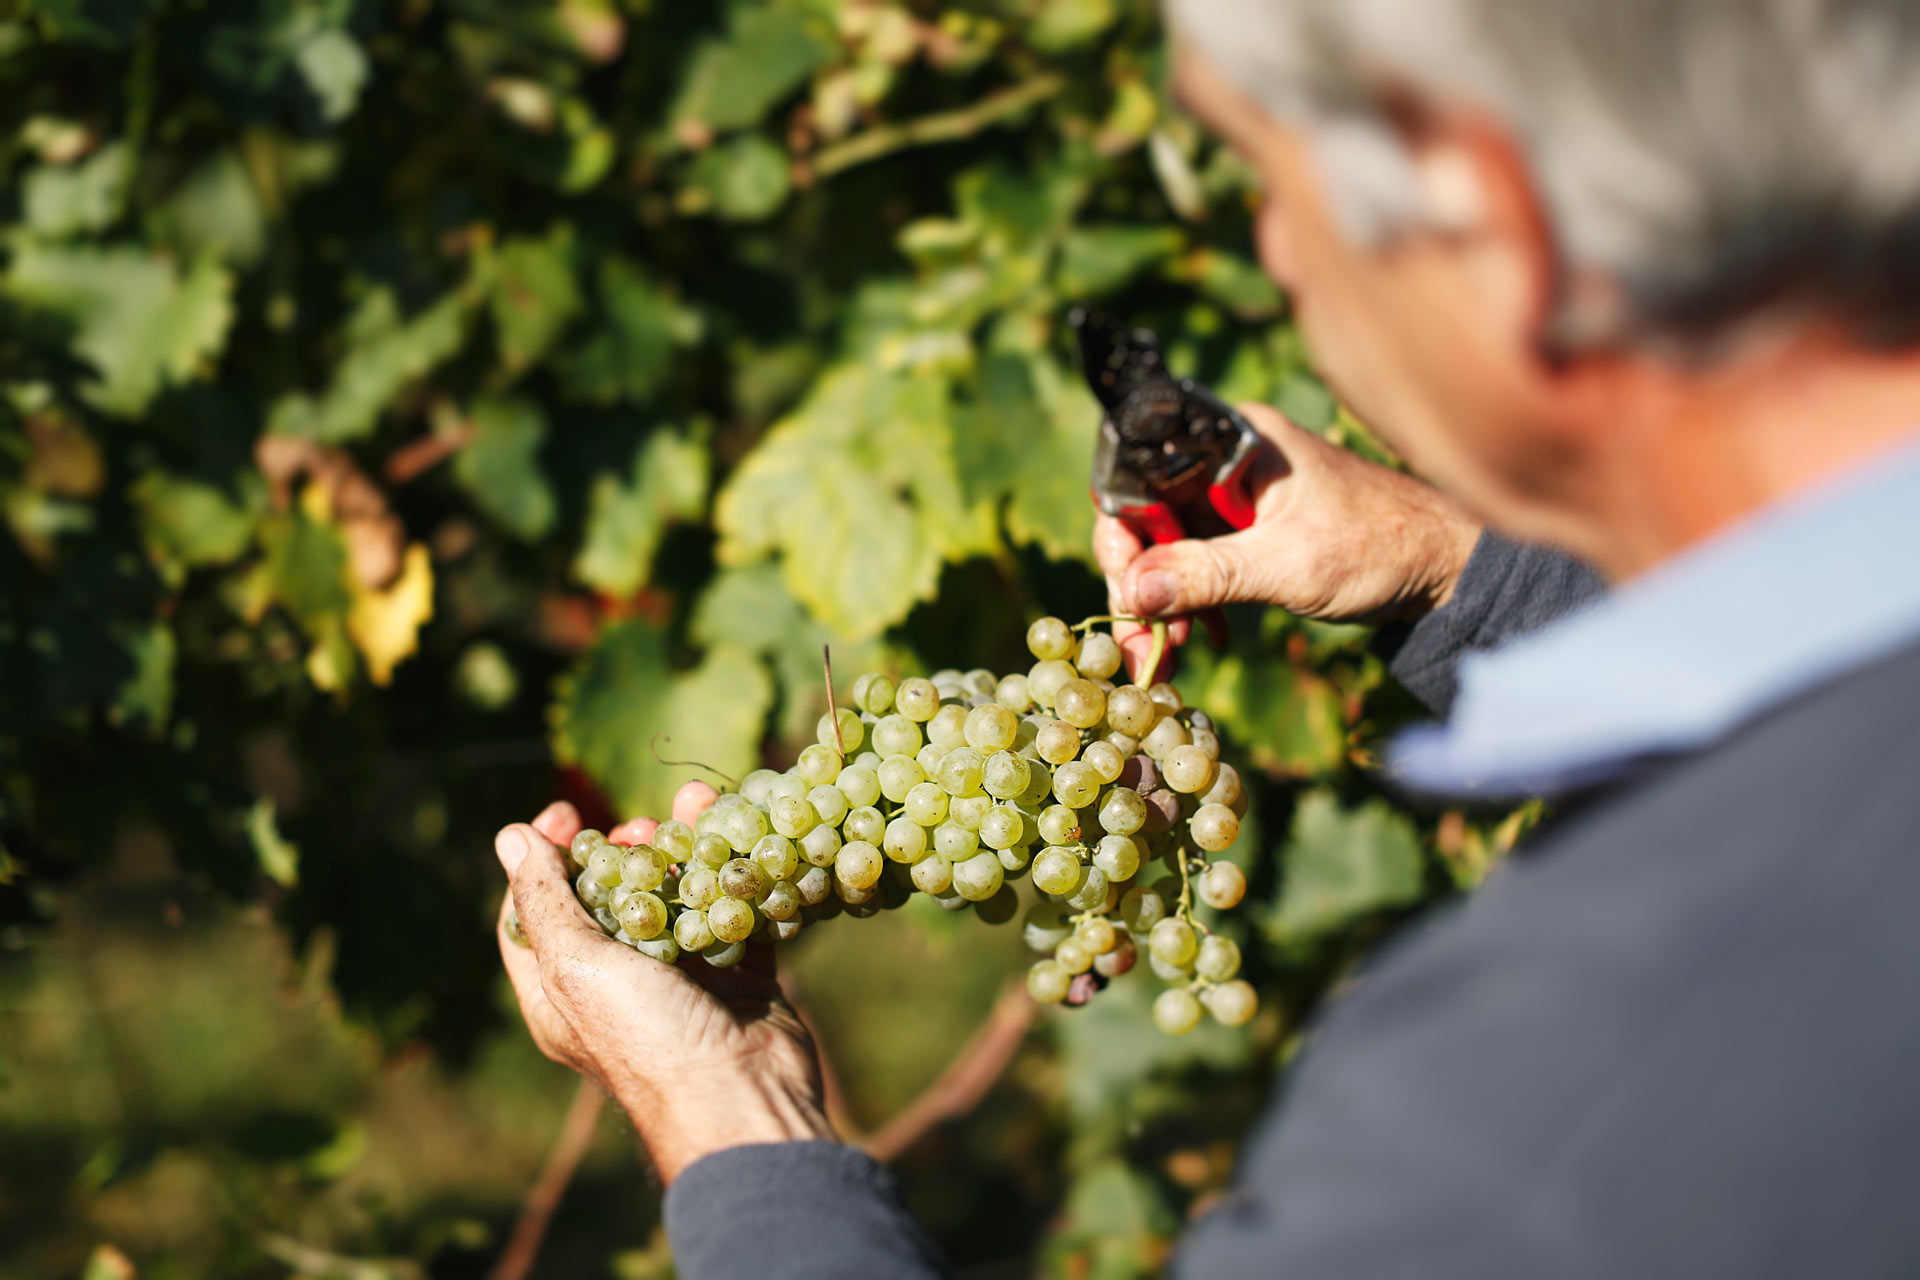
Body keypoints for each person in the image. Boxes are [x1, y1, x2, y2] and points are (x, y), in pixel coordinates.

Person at [493, 0, 1920, 1273]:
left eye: (1265, 176)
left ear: (1497, 224)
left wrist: (732, 1111)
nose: (1273, 253)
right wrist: (1455, 571)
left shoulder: (1538, 1117)